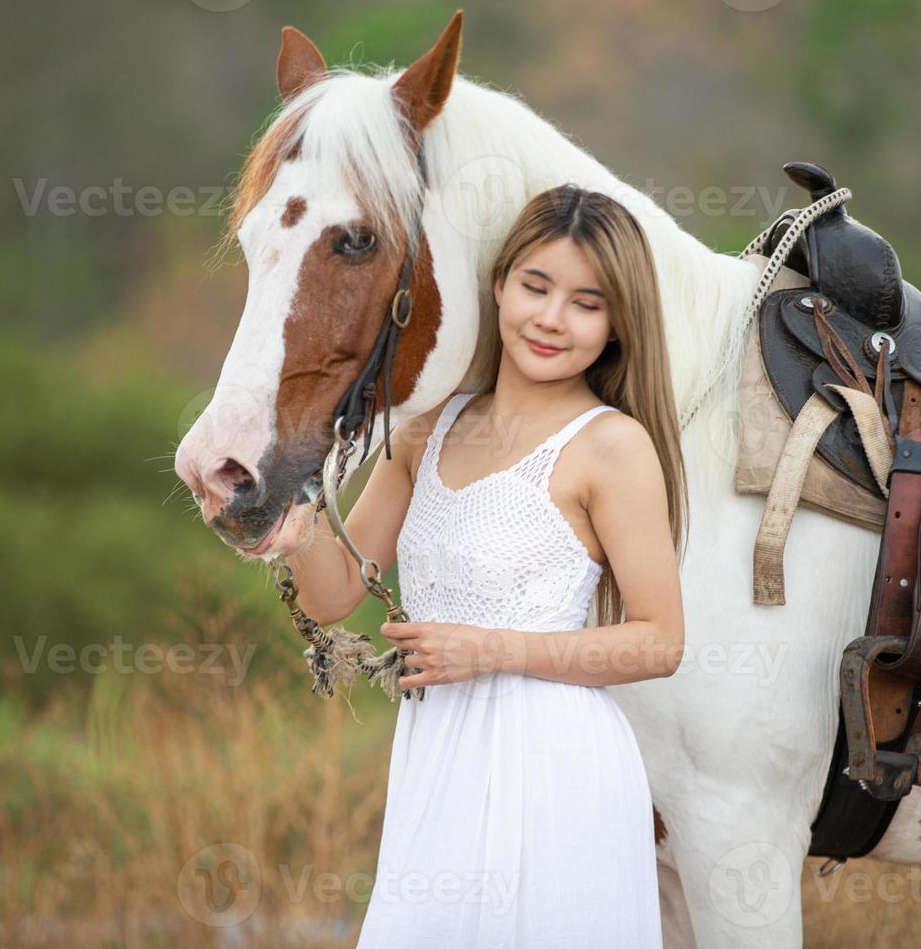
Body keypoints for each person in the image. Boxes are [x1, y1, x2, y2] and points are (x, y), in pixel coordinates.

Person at [285, 184, 688, 948]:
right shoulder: (426, 431)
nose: (550, 318)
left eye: (586, 302)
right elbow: (335, 591)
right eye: (535, 286)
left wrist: (490, 650)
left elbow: (659, 640)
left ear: (616, 326)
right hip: (437, 759)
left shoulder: (611, 447)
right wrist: (291, 512)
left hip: (555, 766)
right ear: (499, 284)